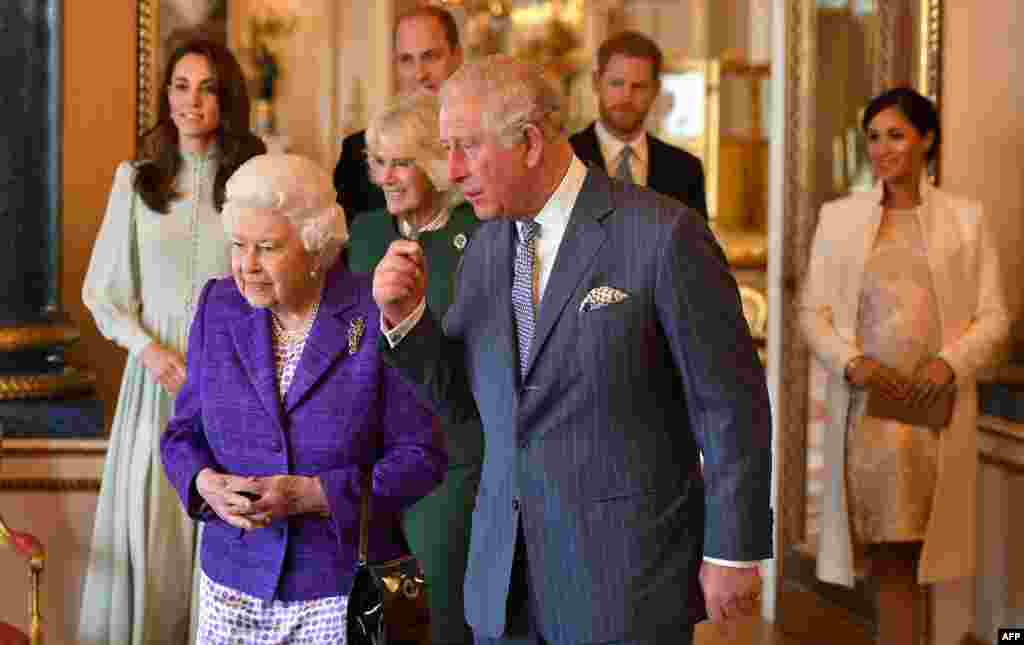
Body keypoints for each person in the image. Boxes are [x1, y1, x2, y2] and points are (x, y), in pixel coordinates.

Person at [373, 55, 772, 645]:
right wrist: (407, 320)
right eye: (447, 149)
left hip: (625, 583)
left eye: (467, 148)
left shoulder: (664, 235)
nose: (452, 171)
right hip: (503, 585)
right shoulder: (483, 249)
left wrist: (732, 550)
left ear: (530, 142)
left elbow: (730, 406)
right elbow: (464, 404)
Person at [160, 153, 445, 643]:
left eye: (267, 248)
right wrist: (204, 482)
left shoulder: (375, 311)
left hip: (341, 591)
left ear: (317, 247)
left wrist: (313, 495)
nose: (247, 265)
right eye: (238, 245)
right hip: (231, 586)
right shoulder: (219, 306)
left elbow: (423, 457)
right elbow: (182, 434)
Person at [799, 87, 1009, 644]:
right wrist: (852, 362)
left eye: (896, 135)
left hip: (936, 418)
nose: (883, 149)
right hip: (868, 419)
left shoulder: (966, 219)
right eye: (873, 137)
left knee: (926, 561)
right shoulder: (839, 219)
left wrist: (949, 363)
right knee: (889, 561)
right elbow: (812, 314)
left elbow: (994, 317)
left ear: (927, 140)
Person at [78, 38, 266, 645]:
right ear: (165, 95)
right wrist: (148, 350)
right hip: (154, 384)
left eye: (207, 88)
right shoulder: (137, 180)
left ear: (226, 98)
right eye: (181, 86)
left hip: (231, 385)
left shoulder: (251, 182)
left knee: (219, 534)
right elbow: (102, 291)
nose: (192, 101)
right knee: (155, 538)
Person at [348, 90, 482, 645]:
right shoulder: (364, 233)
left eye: (402, 162)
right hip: (372, 461)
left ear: (434, 162)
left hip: (450, 457)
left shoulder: (479, 234)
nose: (386, 177)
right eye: (379, 162)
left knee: (438, 620)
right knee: (376, 622)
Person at [334, 5, 463, 226]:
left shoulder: (482, 145)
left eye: (430, 57)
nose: (419, 74)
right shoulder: (357, 152)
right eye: (406, 60)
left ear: (457, 55)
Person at [570, 31, 707, 218]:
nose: (626, 97)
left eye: (639, 86)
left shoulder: (686, 171)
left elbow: (695, 237)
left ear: (656, 89)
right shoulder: (564, 159)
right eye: (616, 83)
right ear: (596, 83)